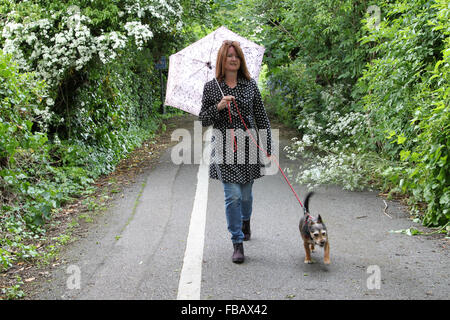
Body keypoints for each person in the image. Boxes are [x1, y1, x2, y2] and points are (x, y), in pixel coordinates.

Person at [199, 40, 272, 263]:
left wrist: (267, 145)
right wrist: (218, 106)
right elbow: (203, 119)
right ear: (222, 59)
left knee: (246, 196)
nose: (233, 59)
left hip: (248, 147)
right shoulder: (212, 87)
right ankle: (237, 242)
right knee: (233, 195)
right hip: (223, 147)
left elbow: (261, 117)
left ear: (241, 60)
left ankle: (245, 220)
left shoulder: (250, 85)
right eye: (229, 55)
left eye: (237, 56)